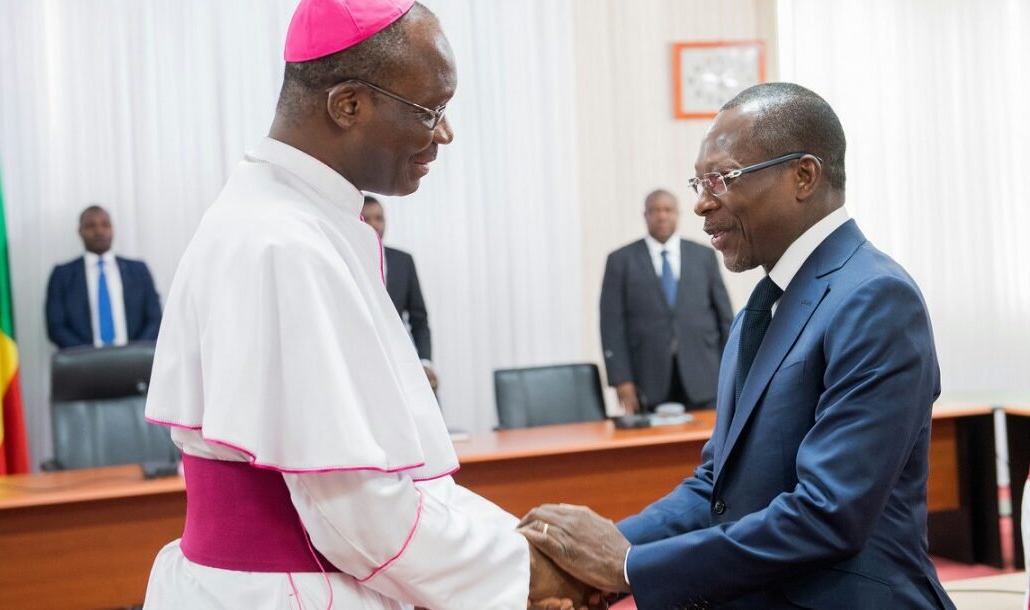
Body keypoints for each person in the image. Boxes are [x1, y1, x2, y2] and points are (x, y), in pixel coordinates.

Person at [142, 1, 593, 608]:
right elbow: (357, 512)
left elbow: (404, 482)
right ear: (348, 105)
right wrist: (531, 575)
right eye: (432, 110)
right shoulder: (283, 242)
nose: (445, 133)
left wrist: (517, 548)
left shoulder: (294, 216)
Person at [521, 83, 956, 609]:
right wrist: (592, 557)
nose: (701, 203)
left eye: (721, 178)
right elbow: (717, 488)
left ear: (803, 176)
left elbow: (827, 514)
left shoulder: (874, 298)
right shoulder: (761, 305)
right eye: (698, 182)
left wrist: (627, 566)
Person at [600, 189, 732, 412]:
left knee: (707, 443)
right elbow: (611, 326)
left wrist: (731, 370)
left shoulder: (703, 256)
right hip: (647, 380)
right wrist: (621, 379)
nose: (662, 216)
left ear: (677, 214)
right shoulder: (620, 261)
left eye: (667, 210)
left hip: (704, 377)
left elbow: (725, 318)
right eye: (655, 210)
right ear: (645, 215)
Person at [44, 205, 162, 349]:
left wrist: (133, 353)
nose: (99, 231)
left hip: (135, 362)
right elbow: (56, 327)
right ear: (80, 232)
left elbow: (154, 320)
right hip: (82, 365)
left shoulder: (138, 270)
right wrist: (89, 357)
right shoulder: (62, 276)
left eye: (105, 225)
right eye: (90, 226)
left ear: (112, 229)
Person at [361, 195, 438, 391]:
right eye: (367, 218)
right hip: (362, 362)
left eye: (379, 218)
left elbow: (419, 320)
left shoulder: (403, 261)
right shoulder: (345, 260)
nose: (374, 224)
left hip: (400, 360)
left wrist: (425, 362)